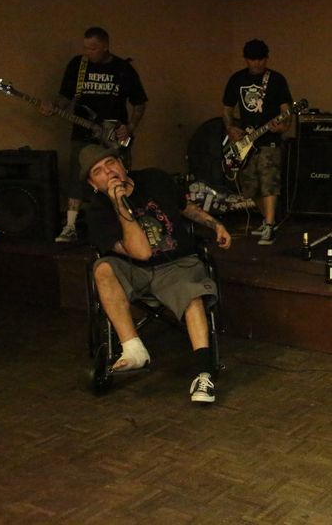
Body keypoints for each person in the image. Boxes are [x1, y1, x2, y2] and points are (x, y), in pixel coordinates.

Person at [81, 144, 232, 403]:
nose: (108, 172)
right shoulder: (97, 212)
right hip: (134, 269)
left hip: (176, 264)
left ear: (122, 164)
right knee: (103, 268)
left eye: (111, 163)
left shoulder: (154, 179)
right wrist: (119, 205)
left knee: (190, 291)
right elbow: (141, 252)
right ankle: (133, 348)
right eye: (98, 171)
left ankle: (204, 374)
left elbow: (185, 207)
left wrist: (215, 224)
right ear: (93, 184)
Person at [41, 27, 148, 243]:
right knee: (77, 175)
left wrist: (130, 127)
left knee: (117, 175)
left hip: (112, 134)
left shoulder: (123, 69)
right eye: (86, 48)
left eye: (93, 48)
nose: (88, 52)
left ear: (106, 46)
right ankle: (70, 226)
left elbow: (139, 102)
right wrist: (54, 107)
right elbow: (65, 97)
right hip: (83, 131)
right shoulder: (78, 65)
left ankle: (125, 222)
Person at [222, 39, 294, 245]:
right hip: (246, 140)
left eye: (261, 59)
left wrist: (283, 126)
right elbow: (227, 108)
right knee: (250, 186)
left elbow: (286, 111)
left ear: (266, 58)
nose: (257, 63)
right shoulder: (237, 79)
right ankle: (268, 220)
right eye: (253, 59)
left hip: (269, 139)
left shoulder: (276, 79)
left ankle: (270, 225)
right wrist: (230, 128)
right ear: (246, 59)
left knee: (269, 181)